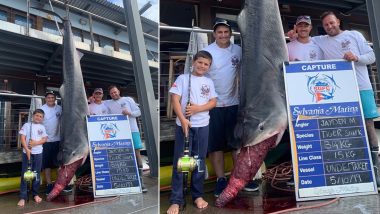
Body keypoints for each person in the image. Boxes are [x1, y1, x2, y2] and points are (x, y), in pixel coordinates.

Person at [289, 11, 380, 188]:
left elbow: (372, 57)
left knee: (368, 124)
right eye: (326, 25)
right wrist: (290, 35)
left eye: (332, 23)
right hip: (339, 92)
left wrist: (357, 58)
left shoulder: (355, 35)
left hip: (361, 87)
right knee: (343, 126)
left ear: (338, 21)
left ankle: (376, 165)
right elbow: (303, 38)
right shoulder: (320, 40)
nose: (330, 27)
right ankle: (349, 166)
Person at [203, 19, 259, 196]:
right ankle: (221, 180)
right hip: (213, 105)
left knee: (237, 145)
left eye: (226, 32)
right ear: (214, 34)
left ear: (231, 34)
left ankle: (241, 178)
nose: (223, 35)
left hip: (235, 103)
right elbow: (197, 76)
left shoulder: (238, 50)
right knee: (216, 145)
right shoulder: (207, 52)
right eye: (219, 32)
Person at [167, 50, 217, 214]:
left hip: (203, 126)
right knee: (181, 162)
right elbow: (174, 99)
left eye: (206, 64)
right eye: (200, 62)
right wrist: (183, 120)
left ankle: (198, 195)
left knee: (199, 161)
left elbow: (213, 102)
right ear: (194, 62)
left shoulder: (209, 82)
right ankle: (176, 199)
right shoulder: (182, 78)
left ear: (209, 67)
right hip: (184, 126)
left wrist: (197, 109)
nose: (202, 66)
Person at [105, 85, 148, 193]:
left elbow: (139, 112)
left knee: (137, 153)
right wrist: (90, 99)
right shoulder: (108, 103)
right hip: (119, 133)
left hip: (133, 130)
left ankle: (141, 182)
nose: (114, 94)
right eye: (112, 93)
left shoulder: (128, 99)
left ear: (118, 91)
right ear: (110, 95)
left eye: (115, 92)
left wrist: (130, 113)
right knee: (122, 156)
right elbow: (98, 103)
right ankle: (125, 182)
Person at [18, 109, 48, 207]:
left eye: (40, 116)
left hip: (38, 153)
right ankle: (23, 196)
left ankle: (35, 194)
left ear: (42, 118)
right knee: (25, 174)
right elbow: (22, 137)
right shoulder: (27, 125)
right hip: (27, 153)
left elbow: (44, 139)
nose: (38, 117)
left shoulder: (42, 127)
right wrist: (26, 149)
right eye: (37, 115)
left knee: (36, 174)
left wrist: (35, 143)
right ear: (33, 116)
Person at [41, 91, 64, 194]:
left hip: (58, 139)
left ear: (55, 99)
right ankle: (49, 185)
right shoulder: (42, 109)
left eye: (52, 97)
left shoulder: (59, 108)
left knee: (59, 163)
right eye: (48, 97)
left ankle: (61, 184)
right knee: (47, 165)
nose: (50, 99)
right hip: (46, 141)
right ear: (45, 99)